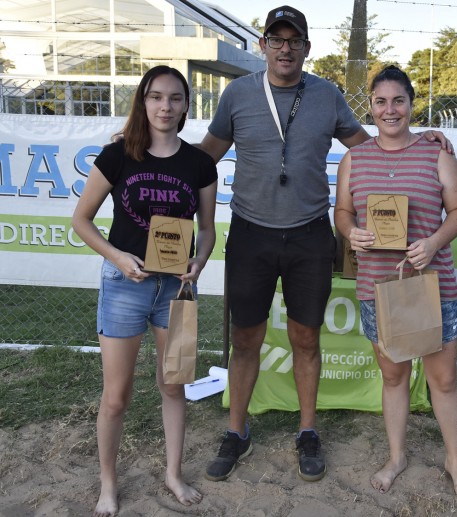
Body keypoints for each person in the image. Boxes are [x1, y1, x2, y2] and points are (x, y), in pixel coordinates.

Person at [200, 6, 452, 484]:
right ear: (263, 46)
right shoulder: (236, 94)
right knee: (245, 338)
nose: (285, 48)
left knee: (306, 338)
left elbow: (372, 145)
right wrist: (143, 149)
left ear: (307, 48)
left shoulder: (326, 94)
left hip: (310, 234)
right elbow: (202, 159)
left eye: (295, 40)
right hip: (251, 233)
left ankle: (308, 431)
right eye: (277, 39)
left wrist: (423, 141)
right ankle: (237, 431)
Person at [72, 65, 218, 517]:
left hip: (176, 292)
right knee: (116, 396)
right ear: (143, 101)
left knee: (174, 387)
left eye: (175, 98)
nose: (165, 107)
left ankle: (173, 474)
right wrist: (117, 257)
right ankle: (109, 484)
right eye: (156, 97)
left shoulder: (199, 164)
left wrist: (199, 260)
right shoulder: (119, 156)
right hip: (124, 289)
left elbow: (208, 230)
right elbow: (81, 220)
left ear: (185, 106)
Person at [334, 65, 457, 498]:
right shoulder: (354, 158)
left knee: (444, 380)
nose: (389, 110)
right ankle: (397, 457)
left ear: (412, 105)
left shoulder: (436, 153)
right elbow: (342, 212)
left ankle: (455, 460)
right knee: (393, 378)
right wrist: (350, 232)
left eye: (398, 101)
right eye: (380, 101)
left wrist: (433, 243)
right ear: (370, 107)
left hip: (431, 286)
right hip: (378, 288)